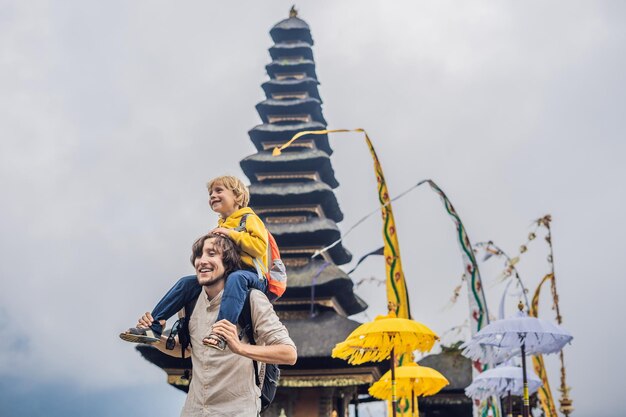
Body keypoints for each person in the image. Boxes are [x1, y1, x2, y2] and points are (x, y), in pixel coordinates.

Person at [142, 233, 297, 416]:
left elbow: (289, 353)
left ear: (228, 263)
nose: (202, 261)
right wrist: (153, 337)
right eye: (199, 255)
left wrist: (239, 347)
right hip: (194, 410)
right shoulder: (189, 302)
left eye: (211, 254)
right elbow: (188, 350)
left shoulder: (252, 299)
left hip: (236, 411)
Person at [120, 175, 270, 350]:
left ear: (237, 196)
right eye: (210, 193)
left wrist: (230, 234)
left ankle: (221, 332)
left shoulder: (249, 219)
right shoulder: (221, 224)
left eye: (219, 190)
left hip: (252, 276)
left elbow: (259, 247)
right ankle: (153, 327)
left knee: (236, 278)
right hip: (227, 276)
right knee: (187, 283)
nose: (213, 195)